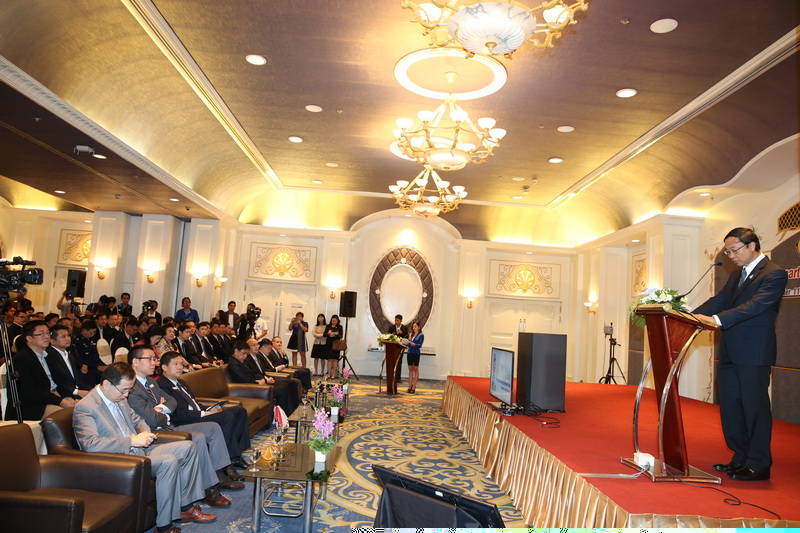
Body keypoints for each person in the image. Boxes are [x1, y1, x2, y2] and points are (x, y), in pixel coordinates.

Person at [73, 362, 216, 532]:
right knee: (168, 461)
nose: (126, 395)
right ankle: (164, 526)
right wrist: (132, 441)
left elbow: (137, 420)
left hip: (140, 451)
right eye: (124, 390)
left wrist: (144, 432)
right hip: (120, 459)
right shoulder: (86, 407)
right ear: (106, 384)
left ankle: (185, 507)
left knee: (189, 447)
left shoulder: (119, 397)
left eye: (129, 390)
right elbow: (90, 444)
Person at [694, 227, 788, 482]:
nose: (731, 256)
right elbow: (720, 300)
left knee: (754, 408)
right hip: (730, 350)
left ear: (752, 246)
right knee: (732, 406)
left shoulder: (774, 273)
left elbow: (755, 306)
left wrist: (716, 320)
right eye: (728, 251)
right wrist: (689, 316)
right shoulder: (737, 275)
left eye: (734, 250)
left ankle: (758, 464)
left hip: (754, 353)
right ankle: (741, 457)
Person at [126, 346, 245, 504]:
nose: (154, 362)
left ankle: (220, 476)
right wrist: (164, 412)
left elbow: (172, 401)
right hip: (155, 432)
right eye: (149, 359)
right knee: (199, 437)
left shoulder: (150, 382)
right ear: (135, 362)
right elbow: (153, 420)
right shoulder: (131, 387)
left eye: (154, 359)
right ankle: (209, 489)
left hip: (168, 425)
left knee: (213, 427)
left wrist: (160, 408)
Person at [157, 351, 251, 462]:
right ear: (164, 367)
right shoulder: (162, 386)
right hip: (186, 420)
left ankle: (238, 452)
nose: (180, 367)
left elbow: (194, 403)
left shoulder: (181, 382)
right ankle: (231, 457)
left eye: (181, 364)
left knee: (239, 410)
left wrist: (209, 409)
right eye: (175, 364)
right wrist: (203, 413)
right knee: (227, 417)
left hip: (197, 414)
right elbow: (177, 414)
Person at [5, 320, 77, 421]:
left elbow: (59, 382)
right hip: (34, 405)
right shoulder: (22, 359)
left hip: (53, 396)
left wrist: (67, 396)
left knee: (87, 408)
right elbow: (30, 391)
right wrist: (60, 401)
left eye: (48, 333)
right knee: (71, 416)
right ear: (29, 338)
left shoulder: (48, 356)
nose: (46, 337)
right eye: (41, 334)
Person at [46, 324, 92, 400]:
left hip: (75, 390)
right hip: (63, 394)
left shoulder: (69, 356)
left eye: (68, 335)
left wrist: (90, 389)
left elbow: (76, 380)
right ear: (52, 341)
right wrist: (77, 392)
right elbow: (57, 382)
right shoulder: (50, 356)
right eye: (63, 336)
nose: (68, 339)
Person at [402, 320, 424, 394]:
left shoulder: (421, 335)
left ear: (419, 327)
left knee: (415, 369)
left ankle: (414, 386)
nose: (414, 328)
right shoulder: (411, 334)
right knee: (410, 369)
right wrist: (404, 343)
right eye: (413, 326)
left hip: (416, 353)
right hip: (410, 353)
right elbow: (408, 344)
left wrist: (413, 344)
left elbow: (419, 345)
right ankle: (409, 386)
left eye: (415, 326)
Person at [387, 314, 409, 383]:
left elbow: (406, 338)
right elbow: (388, 336)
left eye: (397, 320)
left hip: (400, 348)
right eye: (395, 320)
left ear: (401, 321)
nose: (396, 322)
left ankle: (398, 378)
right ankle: (391, 377)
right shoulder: (391, 328)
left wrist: (401, 333)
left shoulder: (404, 329)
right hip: (392, 348)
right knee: (392, 362)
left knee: (399, 362)